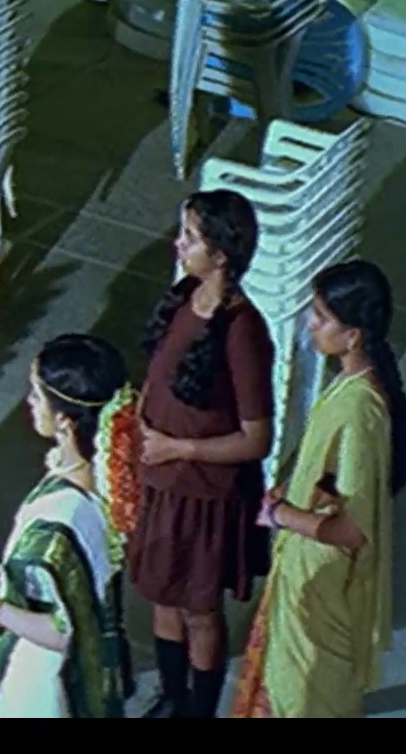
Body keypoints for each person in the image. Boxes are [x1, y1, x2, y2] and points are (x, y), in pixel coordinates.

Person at [229, 259, 406, 718]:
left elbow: (352, 530)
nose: (310, 324)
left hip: (322, 585)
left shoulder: (359, 411)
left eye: (321, 317)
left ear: (353, 335)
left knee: (306, 697)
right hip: (305, 571)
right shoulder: (347, 386)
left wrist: (281, 515)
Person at [126, 188, 274, 718]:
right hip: (161, 484)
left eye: (190, 237)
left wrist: (177, 446)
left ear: (221, 255)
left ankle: (199, 709)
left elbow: (256, 439)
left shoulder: (242, 330)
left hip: (202, 498)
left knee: (198, 609)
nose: (178, 243)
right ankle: (172, 696)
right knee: (162, 596)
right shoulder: (186, 297)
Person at [0, 333, 140, 718]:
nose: (28, 402)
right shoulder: (108, 477)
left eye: (36, 396)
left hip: (45, 677)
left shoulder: (62, 516)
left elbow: (65, 631)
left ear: (64, 421)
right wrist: (3, 574)